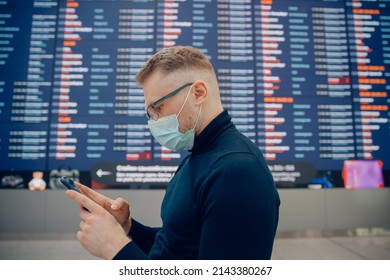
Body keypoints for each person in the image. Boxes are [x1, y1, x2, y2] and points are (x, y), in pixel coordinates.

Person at [66, 46, 280, 260]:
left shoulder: (237, 171)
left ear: (198, 93)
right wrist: (127, 227)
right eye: (149, 114)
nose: (153, 121)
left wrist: (116, 249)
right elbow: (178, 246)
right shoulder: (199, 157)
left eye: (157, 107)